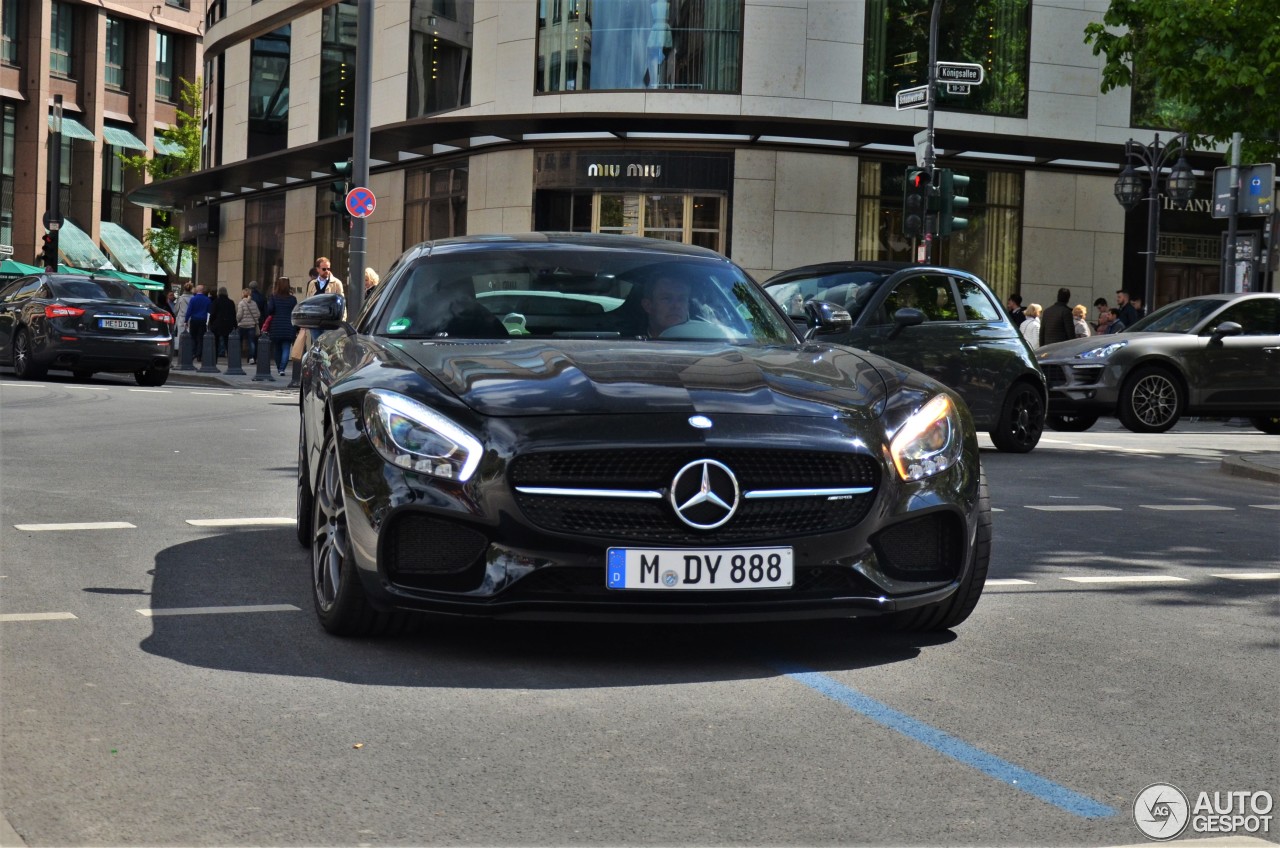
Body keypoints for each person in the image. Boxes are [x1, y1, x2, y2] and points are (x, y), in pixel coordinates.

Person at [265, 276, 298, 375]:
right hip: (288, 326)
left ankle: (279, 367)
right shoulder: (292, 299)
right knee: (286, 347)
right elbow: (295, 312)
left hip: (276, 326)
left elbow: (270, 310)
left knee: (277, 348)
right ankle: (282, 369)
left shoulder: (274, 297)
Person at [209, 286, 237, 360]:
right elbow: (233, 314)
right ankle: (231, 360)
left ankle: (214, 359)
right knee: (228, 343)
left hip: (217, 324)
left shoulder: (216, 301)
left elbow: (213, 314)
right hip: (228, 325)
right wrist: (235, 325)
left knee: (216, 343)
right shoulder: (231, 302)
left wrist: (211, 323)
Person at [185, 284, 212, 362]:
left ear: (197, 290)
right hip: (203, 320)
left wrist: (186, 320)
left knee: (193, 337)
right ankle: (199, 355)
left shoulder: (193, 299)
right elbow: (209, 311)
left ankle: (193, 352)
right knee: (200, 338)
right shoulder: (207, 300)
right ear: (203, 291)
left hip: (194, 320)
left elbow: (189, 310)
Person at [236, 287, 262, 363]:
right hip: (251, 325)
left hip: (242, 325)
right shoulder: (254, 303)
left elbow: (239, 315)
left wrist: (238, 320)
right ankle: (251, 358)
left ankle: (237, 356)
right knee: (251, 342)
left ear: (243, 294)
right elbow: (258, 314)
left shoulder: (241, 303)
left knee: (239, 341)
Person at [172, 282, 193, 360]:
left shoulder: (181, 298)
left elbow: (176, 310)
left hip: (181, 319)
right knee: (190, 334)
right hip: (191, 318)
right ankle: (189, 350)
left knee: (181, 334)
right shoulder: (193, 298)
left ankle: (181, 350)